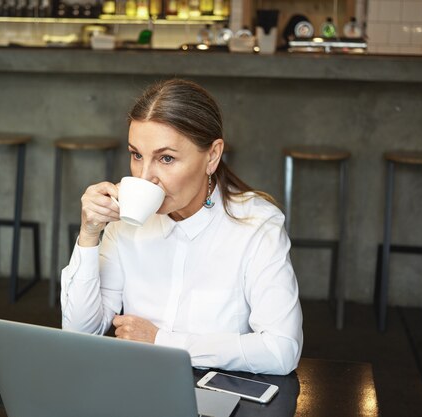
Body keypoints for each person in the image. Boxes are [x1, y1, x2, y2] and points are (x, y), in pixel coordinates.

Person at [61, 79, 303, 375]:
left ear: (212, 156)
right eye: (137, 155)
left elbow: (281, 350)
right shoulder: (125, 220)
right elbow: (79, 335)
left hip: (219, 390)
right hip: (140, 388)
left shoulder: (257, 226)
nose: (145, 177)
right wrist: (89, 234)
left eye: (166, 158)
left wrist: (162, 341)